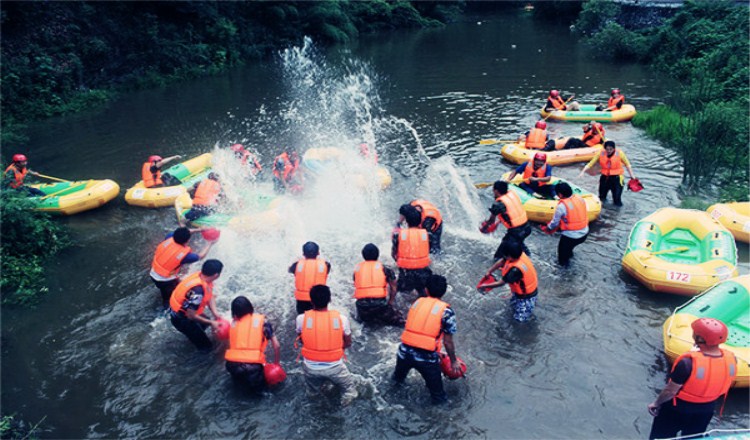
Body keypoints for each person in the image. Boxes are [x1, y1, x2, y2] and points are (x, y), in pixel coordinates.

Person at [648, 318, 737, 440]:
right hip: (706, 410)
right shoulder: (732, 359)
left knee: (661, 437)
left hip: (677, 409)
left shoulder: (687, 363)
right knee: (692, 437)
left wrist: (656, 403)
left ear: (699, 338)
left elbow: (670, 391)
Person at [393, 274, 462, 404]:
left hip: (404, 352)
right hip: (426, 358)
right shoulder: (447, 312)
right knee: (439, 398)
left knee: (397, 382)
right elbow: (447, 341)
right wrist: (453, 361)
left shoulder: (417, 303)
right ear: (444, 292)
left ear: (426, 290)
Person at [296, 285, 358, 406]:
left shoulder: (301, 319)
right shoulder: (342, 319)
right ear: (330, 300)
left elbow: (302, 339)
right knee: (350, 390)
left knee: (313, 392)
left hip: (311, 368)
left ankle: (316, 405)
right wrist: (335, 349)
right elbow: (348, 342)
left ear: (311, 300)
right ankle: (345, 405)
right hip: (335, 367)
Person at [224, 296, 281, 392]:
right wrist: (276, 364)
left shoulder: (233, 324)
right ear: (250, 307)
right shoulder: (264, 322)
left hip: (232, 366)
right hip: (252, 368)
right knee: (261, 393)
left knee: (240, 390)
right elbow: (277, 346)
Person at [149, 227, 216, 307]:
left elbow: (182, 232)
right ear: (187, 241)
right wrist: (210, 243)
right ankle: (166, 311)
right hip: (165, 280)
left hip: (153, 273)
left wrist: (199, 229)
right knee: (169, 298)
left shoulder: (170, 237)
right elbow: (201, 256)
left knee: (173, 285)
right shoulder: (184, 256)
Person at [168, 259, 225, 351]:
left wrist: (215, 313)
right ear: (216, 275)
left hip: (181, 313)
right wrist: (212, 323)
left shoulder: (201, 276)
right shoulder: (198, 291)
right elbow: (191, 316)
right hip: (182, 319)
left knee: (205, 324)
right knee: (207, 347)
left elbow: (210, 295)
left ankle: (196, 336)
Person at [480, 239, 539, 322]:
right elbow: (502, 261)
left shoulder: (515, 270)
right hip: (519, 294)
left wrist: (485, 286)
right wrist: (490, 271)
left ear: (510, 256)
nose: (504, 257)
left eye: (505, 255)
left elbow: (501, 283)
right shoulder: (518, 254)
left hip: (526, 298)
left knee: (520, 320)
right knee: (512, 309)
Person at [353, 243, 404, 326]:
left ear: (363, 255)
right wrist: (390, 303)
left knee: (365, 324)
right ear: (378, 254)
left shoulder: (357, 270)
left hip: (363, 309)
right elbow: (394, 288)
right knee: (401, 321)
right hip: (381, 307)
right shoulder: (385, 269)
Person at [480, 181, 532, 258]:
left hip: (516, 232)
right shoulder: (512, 195)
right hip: (527, 228)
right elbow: (511, 213)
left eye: (493, 190)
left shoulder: (498, 204)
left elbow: (491, 221)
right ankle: (528, 257)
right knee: (518, 244)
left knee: (499, 256)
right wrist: (498, 223)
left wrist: (484, 228)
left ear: (496, 191)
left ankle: (525, 262)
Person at [543, 182, 589, 266]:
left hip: (571, 236)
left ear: (560, 194)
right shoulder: (579, 198)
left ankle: (565, 277)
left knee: (562, 261)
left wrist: (547, 228)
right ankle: (570, 256)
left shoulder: (561, 207)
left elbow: (554, 223)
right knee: (569, 250)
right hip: (584, 233)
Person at [579, 140, 636, 207]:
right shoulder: (601, 153)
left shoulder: (620, 153)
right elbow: (591, 163)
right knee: (601, 197)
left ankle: (617, 214)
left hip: (617, 179)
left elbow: (627, 165)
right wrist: (582, 172)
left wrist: (632, 176)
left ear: (614, 148)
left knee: (617, 199)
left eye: (610, 149)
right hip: (605, 178)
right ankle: (603, 211)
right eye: (607, 149)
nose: (608, 151)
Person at [392, 205, 432, 297]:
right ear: (420, 221)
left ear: (406, 221)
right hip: (423, 273)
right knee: (423, 294)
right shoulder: (427, 235)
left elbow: (393, 254)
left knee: (400, 294)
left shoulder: (398, 235)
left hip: (406, 273)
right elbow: (427, 251)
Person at [289, 241, 331, 315]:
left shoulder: (296, 265)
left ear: (303, 254)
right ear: (318, 253)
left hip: (301, 299)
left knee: (303, 319)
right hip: (318, 299)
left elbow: (290, 270)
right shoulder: (326, 264)